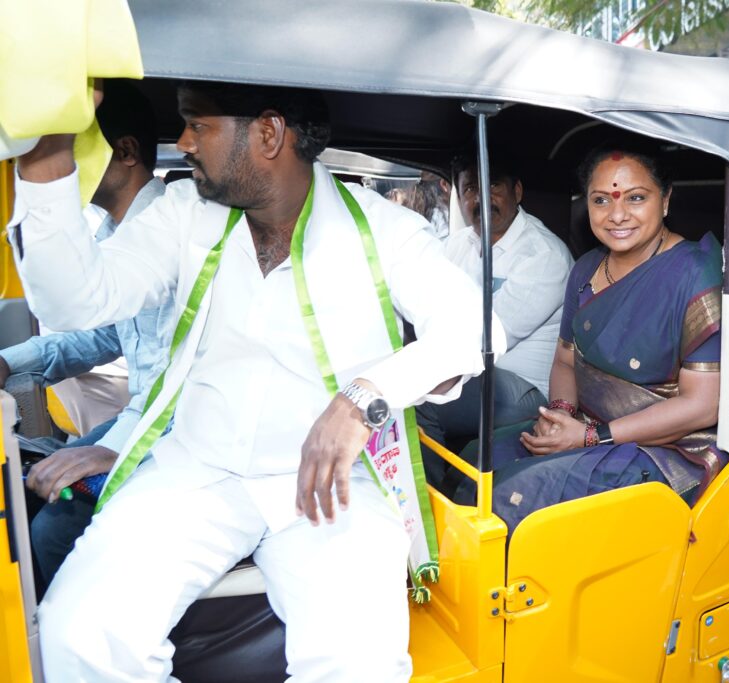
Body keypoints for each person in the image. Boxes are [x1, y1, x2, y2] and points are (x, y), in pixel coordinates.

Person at [9, 81, 500, 681]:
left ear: (269, 134)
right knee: (76, 637)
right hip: (196, 470)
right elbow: (73, 302)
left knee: (360, 664)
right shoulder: (183, 213)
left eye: (198, 125)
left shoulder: (382, 229)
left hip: (329, 485)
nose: (183, 141)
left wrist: (362, 402)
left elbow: (476, 329)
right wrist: (46, 159)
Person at [455, 147, 724, 533]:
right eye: (601, 200)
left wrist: (590, 437)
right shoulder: (586, 268)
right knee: (475, 460)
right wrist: (562, 414)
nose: (617, 215)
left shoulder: (695, 275)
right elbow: (565, 359)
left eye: (636, 198)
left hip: (664, 447)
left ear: (665, 200)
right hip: (587, 425)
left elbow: (701, 406)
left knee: (511, 496)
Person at [0, 80, 173, 589]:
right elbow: (100, 337)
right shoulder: (112, 236)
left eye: (67, 148)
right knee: (26, 494)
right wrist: (11, 362)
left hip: (174, 432)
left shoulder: (174, 231)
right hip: (141, 418)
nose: (60, 167)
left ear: (124, 153)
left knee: (52, 532)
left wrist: (116, 449)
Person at [418, 154, 573, 459]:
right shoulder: (458, 244)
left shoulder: (542, 255)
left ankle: (423, 504)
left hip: (524, 387)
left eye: (493, 185)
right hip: (470, 370)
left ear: (517, 191)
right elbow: (425, 304)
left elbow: (484, 338)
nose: (481, 198)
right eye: (471, 188)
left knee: (420, 402)